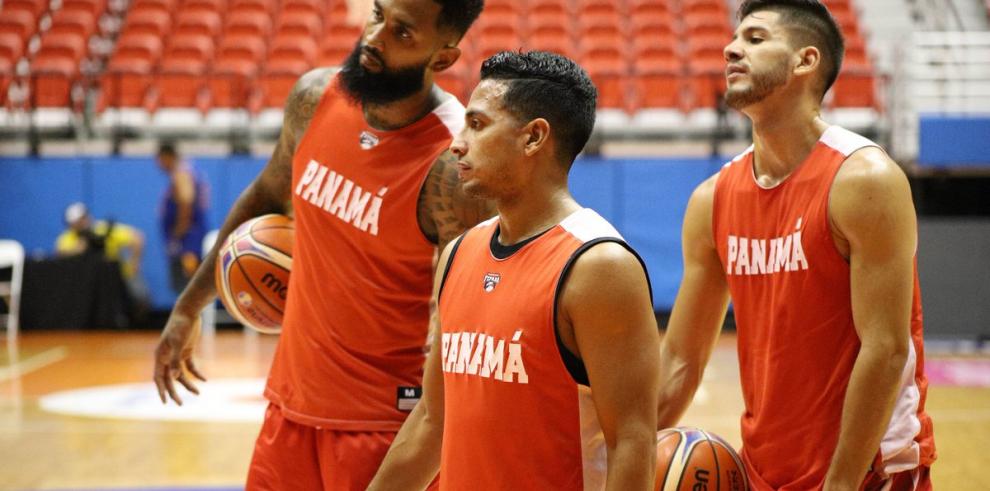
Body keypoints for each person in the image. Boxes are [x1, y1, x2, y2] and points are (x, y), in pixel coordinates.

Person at [152, 0, 492, 488]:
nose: (374, 38)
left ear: (443, 57)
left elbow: (468, 312)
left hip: (383, 425)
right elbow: (267, 194)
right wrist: (188, 307)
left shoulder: (454, 162)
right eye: (377, 15)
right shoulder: (315, 98)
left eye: (402, 33)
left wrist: (435, 432)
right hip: (289, 408)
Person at [656, 1, 936, 490]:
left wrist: (841, 482)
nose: (731, 49)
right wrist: (620, 454)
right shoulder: (712, 200)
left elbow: (886, 349)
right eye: (734, 38)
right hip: (763, 469)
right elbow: (682, 358)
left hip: (868, 470)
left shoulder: (864, 179)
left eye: (755, 39)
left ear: (806, 60)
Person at [368, 51, 661, 490]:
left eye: (478, 124)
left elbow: (632, 444)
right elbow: (432, 419)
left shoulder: (599, 266)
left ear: (533, 138)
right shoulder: (459, 253)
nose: (457, 143)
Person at [56, 201, 150, 311]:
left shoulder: (103, 229)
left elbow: (137, 238)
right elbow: (60, 255)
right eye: (78, 221)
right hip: (85, 279)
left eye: (83, 218)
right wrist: (77, 250)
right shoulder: (66, 239)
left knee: (141, 296)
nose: (82, 222)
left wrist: (135, 263)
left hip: (118, 274)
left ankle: (138, 320)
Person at [156, 141, 209, 294]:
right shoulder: (188, 170)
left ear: (167, 156)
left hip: (187, 240)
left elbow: (186, 201)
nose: (158, 164)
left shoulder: (182, 173)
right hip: (189, 237)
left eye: (159, 159)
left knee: (188, 285)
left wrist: (179, 232)